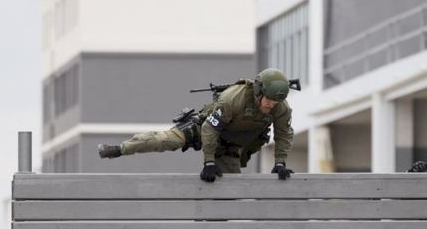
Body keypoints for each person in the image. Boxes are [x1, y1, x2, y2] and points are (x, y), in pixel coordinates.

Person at [98, 68, 295, 182]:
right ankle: (119, 149)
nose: (271, 105)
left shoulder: (281, 108)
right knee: (165, 141)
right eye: (268, 100)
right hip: (202, 129)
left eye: (275, 102)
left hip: (229, 146)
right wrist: (208, 162)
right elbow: (210, 128)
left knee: (229, 192)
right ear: (259, 91)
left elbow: (284, 134)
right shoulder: (232, 100)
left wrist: (280, 163)